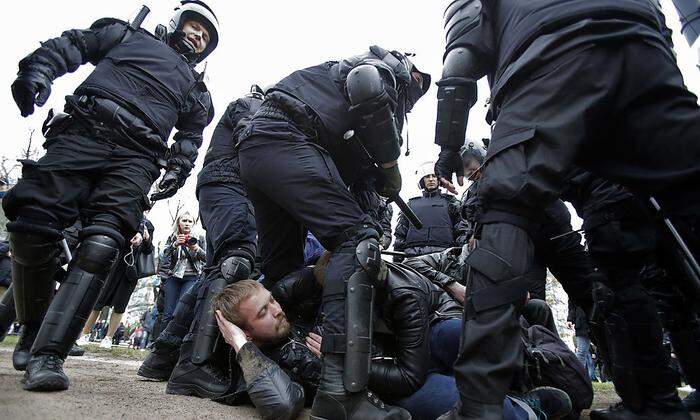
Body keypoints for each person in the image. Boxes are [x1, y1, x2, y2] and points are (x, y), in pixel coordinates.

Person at [433, 1, 700, 418]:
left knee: (505, 209)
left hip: (547, 61)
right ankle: (654, 401)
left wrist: (447, 146)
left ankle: (479, 407)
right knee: (682, 201)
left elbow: (461, 57)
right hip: (643, 48)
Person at [2, 0, 218, 392]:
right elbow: (73, 45)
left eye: (206, 37)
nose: (198, 37)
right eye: (195, 26)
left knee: (103, 245)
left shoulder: (198, 92)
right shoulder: (125, 34)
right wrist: (38, 70)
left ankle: (50, 355)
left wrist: (178, 169)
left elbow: (191, 137)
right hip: (83, 130)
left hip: (136, 159)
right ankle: (34, 325)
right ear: (176, 22)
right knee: (31, 221)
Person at [237, 45, 430, 419]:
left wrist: (375, 183)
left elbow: (352, 191)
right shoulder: (384, 70)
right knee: (357, 243)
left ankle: (282, 371)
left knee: (283, 272)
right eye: (416, 90)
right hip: (289, 136)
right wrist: (389, 163)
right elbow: (368, 86)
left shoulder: (349, 116)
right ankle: (341, 392)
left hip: (263, 148)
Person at [212, 272, 571, 420]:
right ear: (247, 332)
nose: (275, 310)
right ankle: (525, 408)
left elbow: (320, 271)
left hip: (405, 351)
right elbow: (283, 403)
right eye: (263, 312)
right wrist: (242, 346)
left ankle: (521, 374)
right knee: (473, 407)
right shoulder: (262, 362)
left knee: (456, 332)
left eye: (271, 300)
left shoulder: (293, 311)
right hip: (386, 387)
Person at [561, 167, 700, 417]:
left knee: (621, 294)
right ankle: (661, 399)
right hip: (645, 189)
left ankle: (656, 402)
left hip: (610, 197)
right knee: (672, 295)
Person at [164, 88, 262, 398]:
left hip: (222, 188)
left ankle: (163, 355)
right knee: (237, 261)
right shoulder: (253, 104)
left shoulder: (249, 106)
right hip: (231, 187)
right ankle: (196, 364)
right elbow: (258, 139)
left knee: (216, 271)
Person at [77, 216, 154, 349]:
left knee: (120, 305)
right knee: (98, 302)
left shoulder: (148, 225)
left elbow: (148, 250)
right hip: (113, 264)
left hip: (130, 269)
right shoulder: (125, 217)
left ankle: (108, 338)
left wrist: (146, 238)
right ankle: (85, 334)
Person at [393, 163, 463, 260]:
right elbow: (400, 234)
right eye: (427, 177)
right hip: (413, 255)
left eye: (434, 176)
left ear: (439, 180)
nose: (431, 179)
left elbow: (462, 231)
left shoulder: (451, 202)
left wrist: (462, 256)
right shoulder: (411, 205)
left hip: (444, 256)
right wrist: (397, 259)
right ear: (422, 181)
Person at [159, 212, 206, 328]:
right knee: (168, 312)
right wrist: (174, 245)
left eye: (190, 221)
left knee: (181, 311)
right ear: (179, 223)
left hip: (192, 278)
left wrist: (196, 249)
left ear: (194, 224)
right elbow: (163, 257)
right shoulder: (172, 237)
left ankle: (175, 342)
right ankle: (161, 342)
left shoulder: (199, 239)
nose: (187, 224)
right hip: (173, 277)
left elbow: (207, 258)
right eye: (184, 221)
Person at [566, 303, 597, 382]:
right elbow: (573, 305)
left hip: (598, 321)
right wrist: (570, 319)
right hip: (582, 324)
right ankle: (579, 378)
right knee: (581, 352)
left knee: (606, 351)